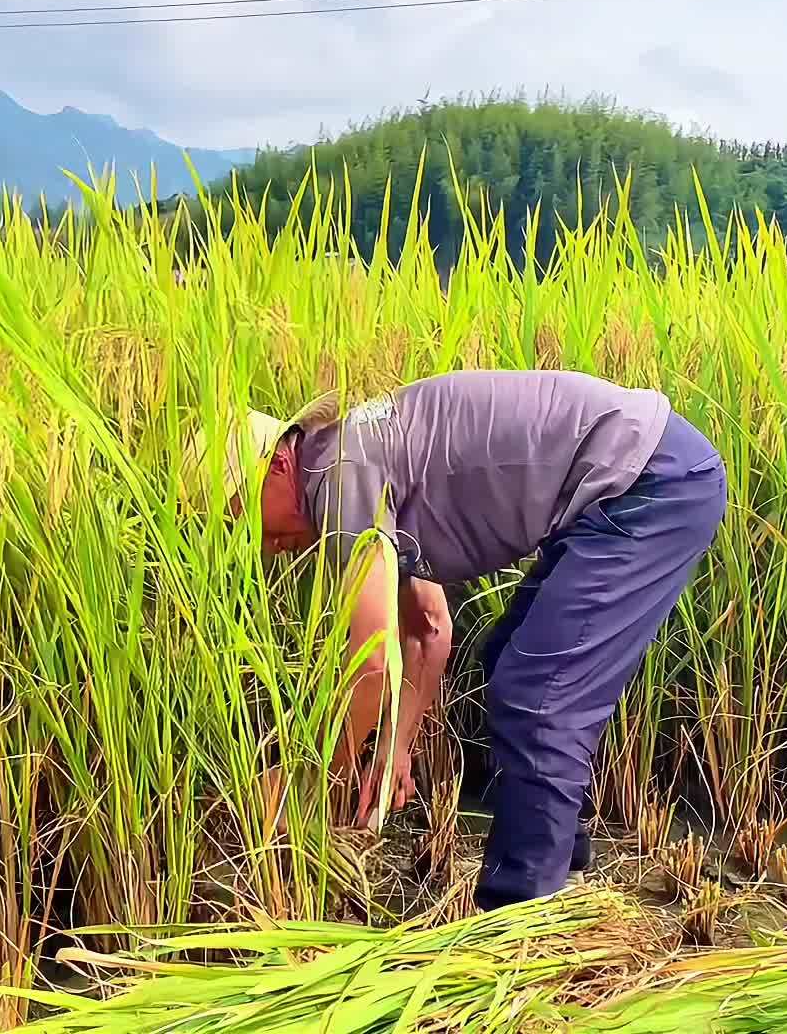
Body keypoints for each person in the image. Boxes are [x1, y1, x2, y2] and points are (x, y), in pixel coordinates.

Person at [190, 369, 726, 909]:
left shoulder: (338, 478)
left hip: (649, 481)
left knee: (539, 698)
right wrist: (394, 747)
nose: (264, 544)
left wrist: (311, 774)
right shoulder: (356, 466)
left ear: (280, 465)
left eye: (246, 518)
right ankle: (564, 870)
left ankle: (517, 924)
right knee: (506, 662)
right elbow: (427, 628)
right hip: (638, 476)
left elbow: (372, 661)